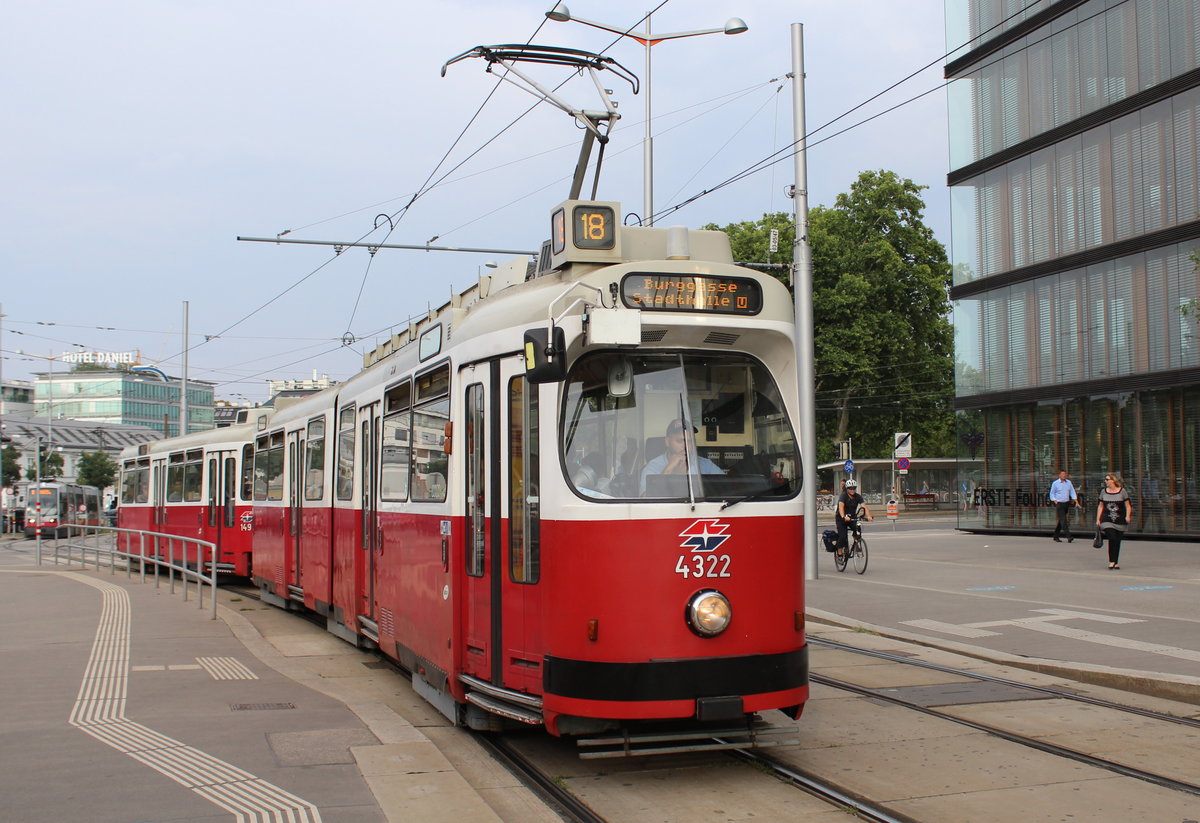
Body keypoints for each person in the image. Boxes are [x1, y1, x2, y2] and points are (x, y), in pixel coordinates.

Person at [640, 419, 722, 494]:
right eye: (680, 441)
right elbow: (645, 500)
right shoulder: (653, 466)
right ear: (667, 441)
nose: (685, 446)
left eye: (689, 441)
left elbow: (727, 489)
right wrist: (668, 469)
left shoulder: (704, 465)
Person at [1096, 473, 1133, 569]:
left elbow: (1128, 505)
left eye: (1107, 479)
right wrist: (1098, 519)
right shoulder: (1103, 492)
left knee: (1117, 540)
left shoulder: (1122, 491)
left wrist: (1128, 516)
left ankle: (1115, 562)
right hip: (1106, 519)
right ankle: (1112, 561)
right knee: (1112, 537)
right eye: (1105, 479)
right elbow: (1100, 506)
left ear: (1113, 480)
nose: (1106, 481)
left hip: (1120, 519)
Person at [836, 478, 873, 549]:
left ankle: (856, 543)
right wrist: (843, 517)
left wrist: (869, 516)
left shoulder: (858, 496)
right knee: (843, 537)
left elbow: (864, 507)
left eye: (854, 488)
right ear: (847, 488)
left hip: (852, 517)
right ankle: (839, 553)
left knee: (857, 529)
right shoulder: (843, 496)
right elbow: (841, 507)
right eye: (850, 488)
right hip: (841, 518)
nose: (852, 490)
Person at [1048, 469, 1082, 542]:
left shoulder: (1068, 483)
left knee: (1061, 520)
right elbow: (1052, 493)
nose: (1064, 476)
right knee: (1063, 520)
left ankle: (1056, 536)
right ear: (1059, 475)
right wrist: (1055, 501)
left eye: (1065, 474)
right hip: (1059, 503)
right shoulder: (1055, 483)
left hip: (1066, 503)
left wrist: (1076, 501)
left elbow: (1072, 492)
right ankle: (1069, 536)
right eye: (1063, 474)